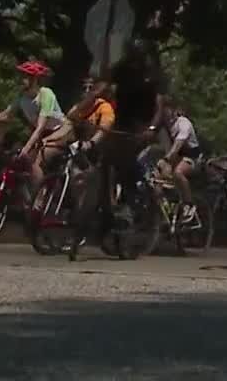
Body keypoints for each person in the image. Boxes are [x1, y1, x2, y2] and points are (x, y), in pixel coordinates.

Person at [69, 35, 168, 249]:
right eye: (130, 56)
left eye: (137, 57)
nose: (133, 61)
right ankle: (104, 206)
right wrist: (80, 109)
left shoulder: (154, 76)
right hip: (121, 122)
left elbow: (160, 107)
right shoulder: (122, 69)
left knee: (127, 163)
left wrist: (151, 129)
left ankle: (129, 206)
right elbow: (100, 88)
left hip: (143, 125)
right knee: (104, 158)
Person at [0, 61, 71, 197]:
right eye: (20, 76)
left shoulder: (46, 94)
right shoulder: (21, 97)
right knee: (17, 162)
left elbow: (40, 127)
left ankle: (39, 199)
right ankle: (25, 197)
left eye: (24, 76)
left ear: (34, 79)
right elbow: (4, 117)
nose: (20, 80)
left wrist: (26, 149)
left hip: (61, 131)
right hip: (42, 133)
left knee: (36, 161)